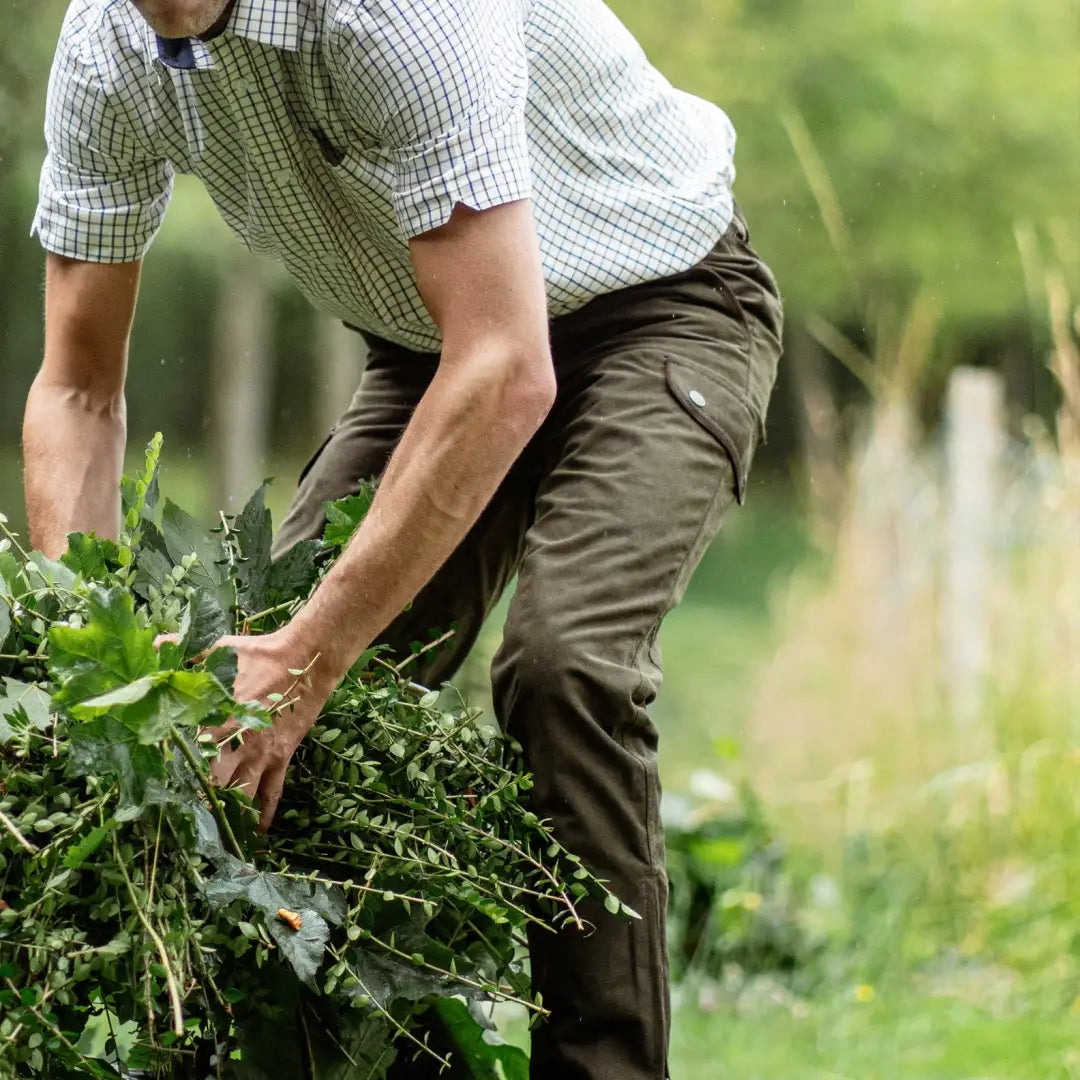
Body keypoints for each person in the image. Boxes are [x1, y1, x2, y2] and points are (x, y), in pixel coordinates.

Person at [24, 0, 783, 1076]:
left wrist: (309, 657)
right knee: (245, 716)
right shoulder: (106, 49)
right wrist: (81, 658)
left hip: (655, 303)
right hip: (435, 344)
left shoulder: (394, 14)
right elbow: (77, 388)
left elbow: (510, 368)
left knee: (565, 667)